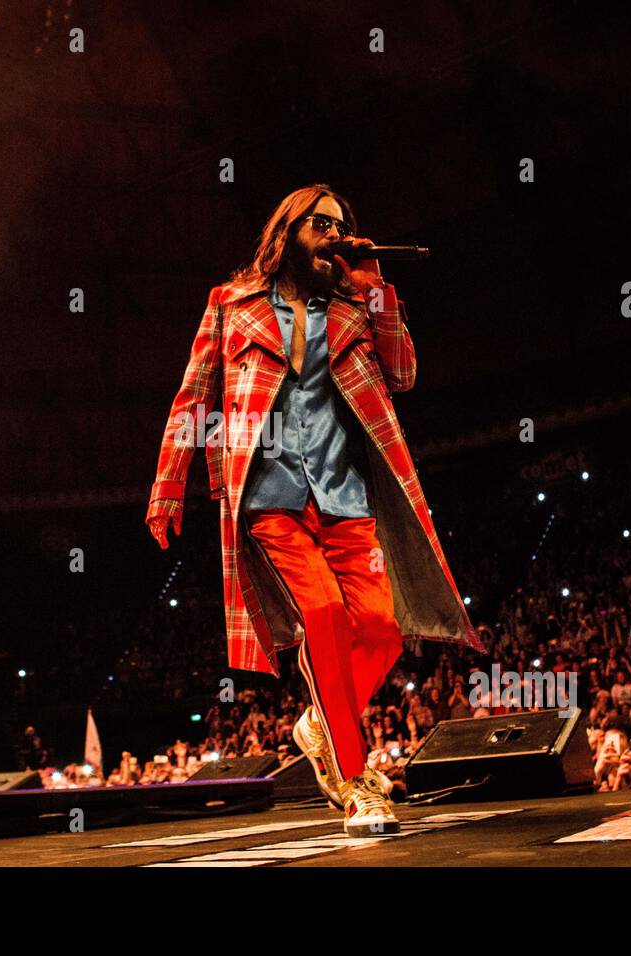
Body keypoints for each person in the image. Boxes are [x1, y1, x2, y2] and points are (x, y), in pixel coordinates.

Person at [146, 184, 483, 836]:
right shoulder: (229, 304)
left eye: (341, 224)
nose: (333, 233)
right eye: (320, 223)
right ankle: (357, 782)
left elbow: (405, 374)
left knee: (382, 631)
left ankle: (319, 723)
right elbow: (192, 401)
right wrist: (168, 484)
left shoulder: (358, 304)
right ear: (288, 231)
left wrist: (377, 288)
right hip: (269, 496)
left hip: (346, 496)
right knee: (323, 616)